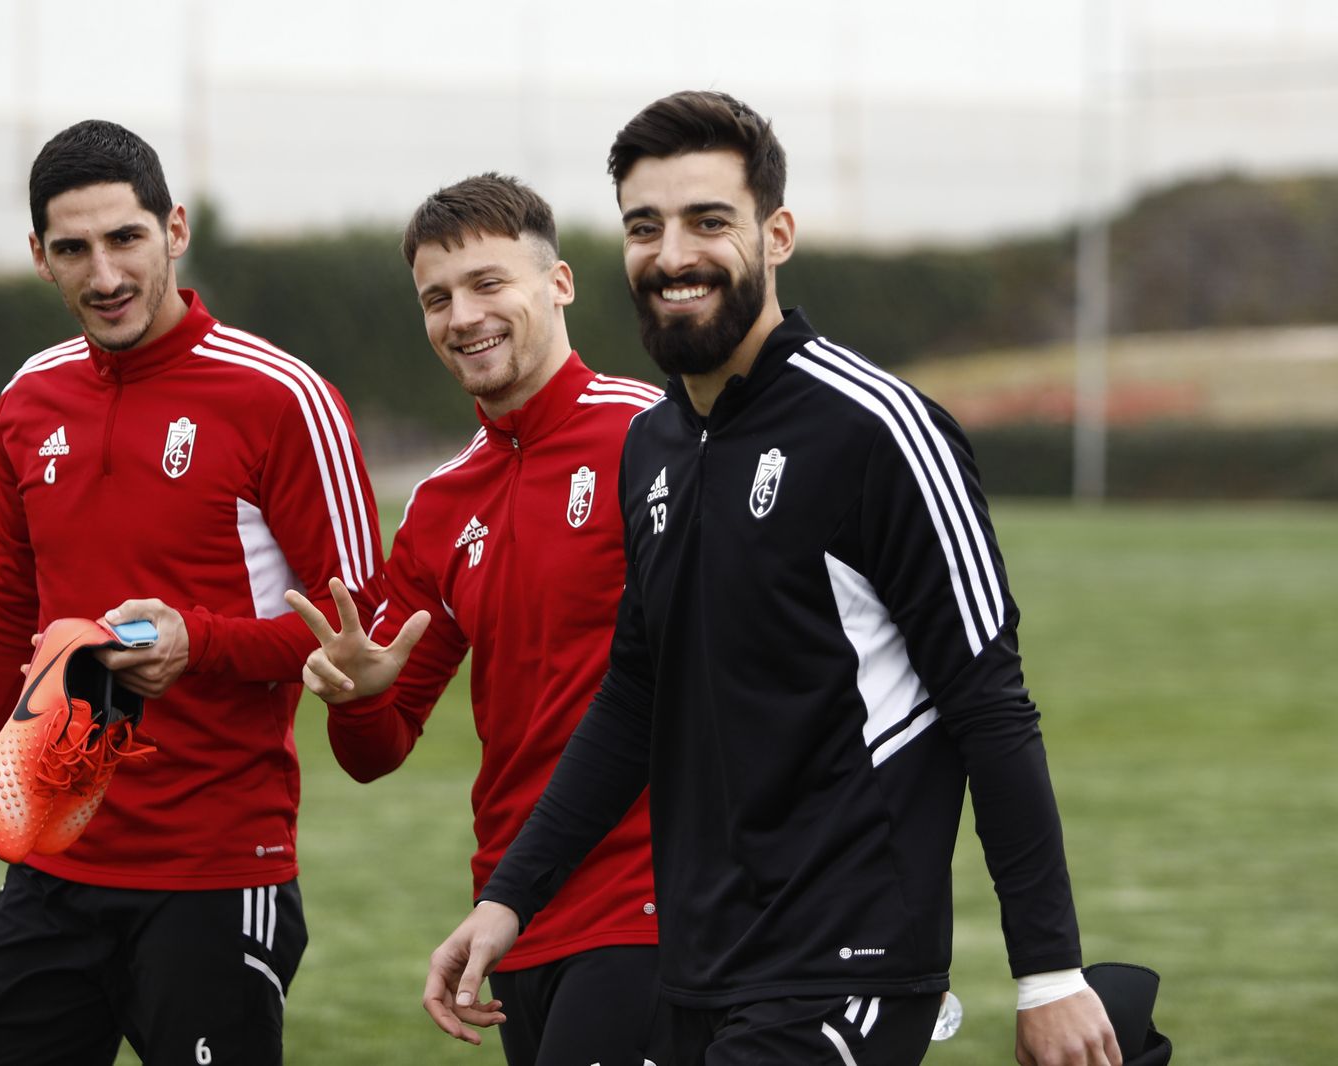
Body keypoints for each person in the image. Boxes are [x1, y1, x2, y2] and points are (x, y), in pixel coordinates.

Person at [424, 91, 1123, 1066]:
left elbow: (989, 705)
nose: (673, 257)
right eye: (644, 226)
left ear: (776, 233)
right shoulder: (654, 447)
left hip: (847, 961)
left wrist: (1048, 972)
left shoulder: (876, 428)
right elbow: (635, 698)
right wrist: (510, 897)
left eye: (709, 221)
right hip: (699, 964)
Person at [0, 119, 381, 1065]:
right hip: (52, 858)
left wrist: (198, 644)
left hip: (215, 871)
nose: (105, 274)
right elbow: (3, 626)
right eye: (74, 249)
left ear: (174, 229)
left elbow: (362, 636)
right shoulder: (29, 399)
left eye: (126, 238)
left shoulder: (280, 396)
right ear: (39, 257)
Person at [284, 173, 663, 1066]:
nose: (463, 316)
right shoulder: (440, 506)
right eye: (437, 298)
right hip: (514, 910)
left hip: (651, 901)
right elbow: (374, 754)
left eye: (490, 283)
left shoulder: (656, 443)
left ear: (559, 283)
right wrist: (357, 695)